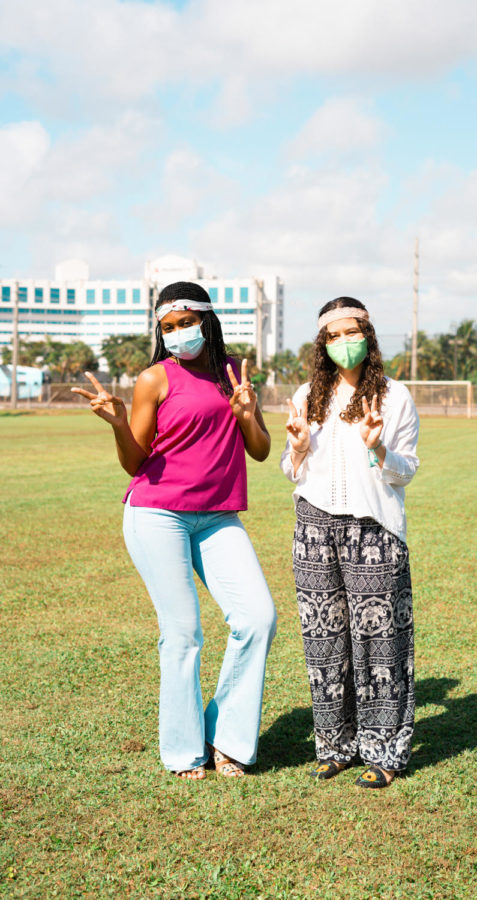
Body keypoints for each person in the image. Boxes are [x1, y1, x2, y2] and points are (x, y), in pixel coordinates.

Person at [73, 281, 277, 781]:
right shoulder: (153, 380)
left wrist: (247, 414)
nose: (178, 334)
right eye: (168, 327)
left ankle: (225, 738)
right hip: (156, 513)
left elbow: (261, 449)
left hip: (218, 515)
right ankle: (185, 753)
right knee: (183, 633)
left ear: (207, 321)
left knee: (257, 618)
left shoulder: (234, 373)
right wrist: (120, 425)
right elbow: (134, 462)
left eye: (186, 323)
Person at [280, 296, 419, 789]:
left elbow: (405, 471)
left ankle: (384, 752)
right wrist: (296, 449)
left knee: (381, 643)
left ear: (369, 335)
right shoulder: (307, 395)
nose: (343, 342)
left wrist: (377, 447)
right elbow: (291, 470)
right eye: (333, 335)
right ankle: (335, 746)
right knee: (325, 643)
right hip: (314, 529)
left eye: (351, 331)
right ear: (322, 343)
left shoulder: (395, 397)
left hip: (373, 531)